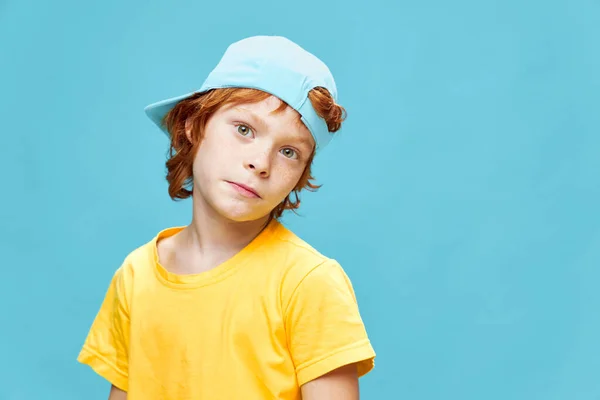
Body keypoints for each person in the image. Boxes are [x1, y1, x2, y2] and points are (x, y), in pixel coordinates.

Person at [77, 35, 376, 400]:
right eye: (244, 129)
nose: (261, 163)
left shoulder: (308, 283)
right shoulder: (136, 275)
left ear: (300, 176)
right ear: (193, 124)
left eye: (288, 151)